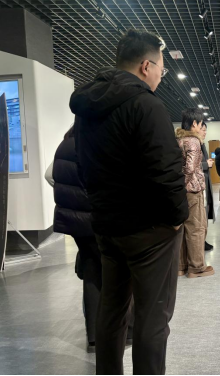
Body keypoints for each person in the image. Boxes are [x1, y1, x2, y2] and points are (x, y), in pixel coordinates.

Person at [70, 28, 188, 376]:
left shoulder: (87, 109)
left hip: (107, 226)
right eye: (162, 69)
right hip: (150, 231)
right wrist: (178, 218)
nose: (161, 76)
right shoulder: (146, 105)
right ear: (146, 66)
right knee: (153, 318)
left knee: (112, 311)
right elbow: (166, 170)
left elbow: (82, 165)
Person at [45, 128, 134, 353]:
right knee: (119, 271)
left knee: (92, 269)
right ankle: (127, 329)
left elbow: (49, 175)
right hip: (100, 218)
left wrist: (70, 196)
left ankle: (94, 336)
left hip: (74, 222)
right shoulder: (98, 142)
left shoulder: (64, 146)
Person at [176, 109, 215, 278]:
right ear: (194, 124)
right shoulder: (193, 141)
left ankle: (180, 266)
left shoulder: (178, 140)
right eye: (200, 124)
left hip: (179, 192)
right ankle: (196, 267)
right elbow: (190, 168)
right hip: (192, 189)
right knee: (196, 228)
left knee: (181, 229)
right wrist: (185, 184)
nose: (201, 128)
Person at [199, 122, 215, 252]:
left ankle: (202, 240)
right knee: (199, 217)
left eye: (205, 130)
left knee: (204, 214)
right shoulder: (192, 144)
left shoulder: (201, 144)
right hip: (198, 187)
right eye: (202, 129)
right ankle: (200, 243)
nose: (205, 132)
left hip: (204, 183)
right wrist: (205, 164)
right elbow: (187, 166)